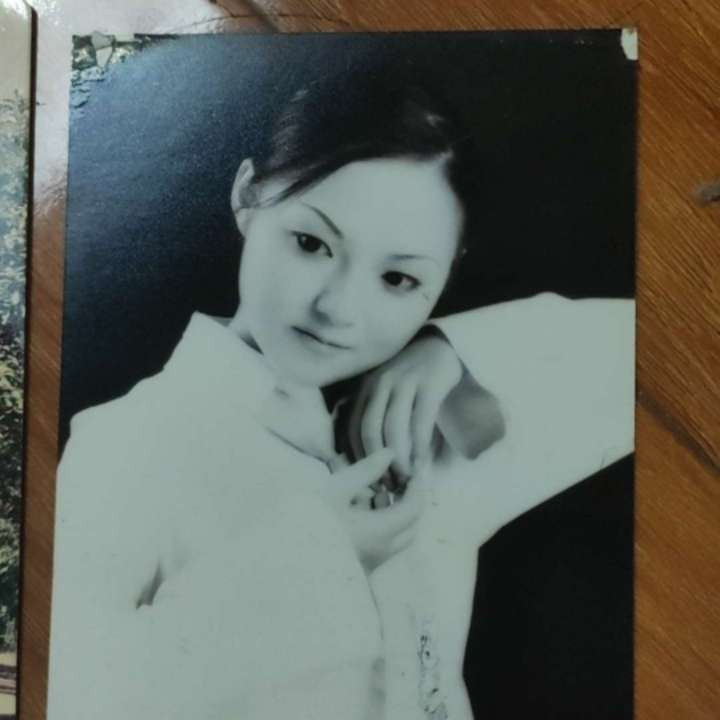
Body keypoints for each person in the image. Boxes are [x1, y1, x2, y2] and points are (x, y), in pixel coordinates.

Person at [47, 70, 634, 720]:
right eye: (311, 243)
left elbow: (654, 350)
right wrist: (322, 562)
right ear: (247, 196)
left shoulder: (428, 432)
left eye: (399, 279)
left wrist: (452, 349)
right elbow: (72, 692)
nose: (339, 309)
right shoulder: (131, 440)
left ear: (446, 275)